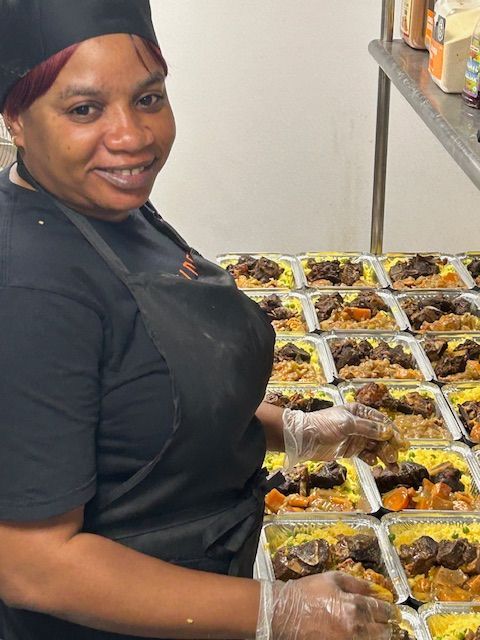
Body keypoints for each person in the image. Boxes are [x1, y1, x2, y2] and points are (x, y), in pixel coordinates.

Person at [0, 2, 402, 639]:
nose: (132, 136)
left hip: (201, 566)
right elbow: (30, 565)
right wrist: (279, 610)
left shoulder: (105, 205)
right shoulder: (29, 293)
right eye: (84, 109)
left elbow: (142, 402)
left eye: (149, 98)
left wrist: (289, 431)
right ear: (17, 119)